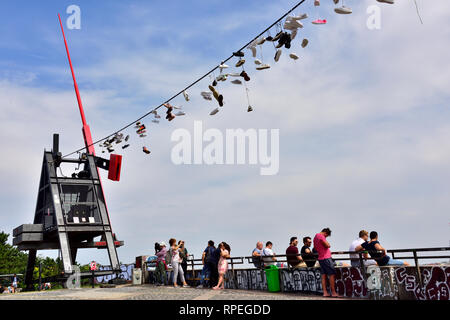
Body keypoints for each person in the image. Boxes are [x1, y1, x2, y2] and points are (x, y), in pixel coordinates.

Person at [314, 228, 340, 297]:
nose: (326, 237)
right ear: (325, 233)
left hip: (320, 258)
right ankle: (334, 293)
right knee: (331, 274)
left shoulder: (315, 237)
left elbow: (315, 248)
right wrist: (327, 243)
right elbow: (328, 245)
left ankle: (325, 293)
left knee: (323, 275)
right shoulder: (320, 236)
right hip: (326, 258)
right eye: (326, 236)